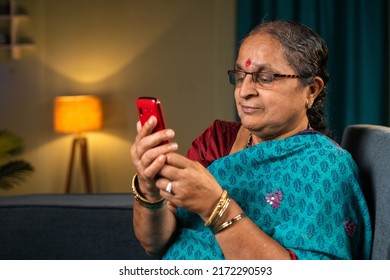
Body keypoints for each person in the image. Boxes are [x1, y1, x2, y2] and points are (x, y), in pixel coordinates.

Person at [130, 20, 372, 260]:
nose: (244, 90)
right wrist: (149, 189)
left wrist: (216, 206)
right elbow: (155, 244)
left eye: (265, 77)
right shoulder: (216, 141)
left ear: (311, 90)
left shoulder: (327, 167)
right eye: (240, 75)